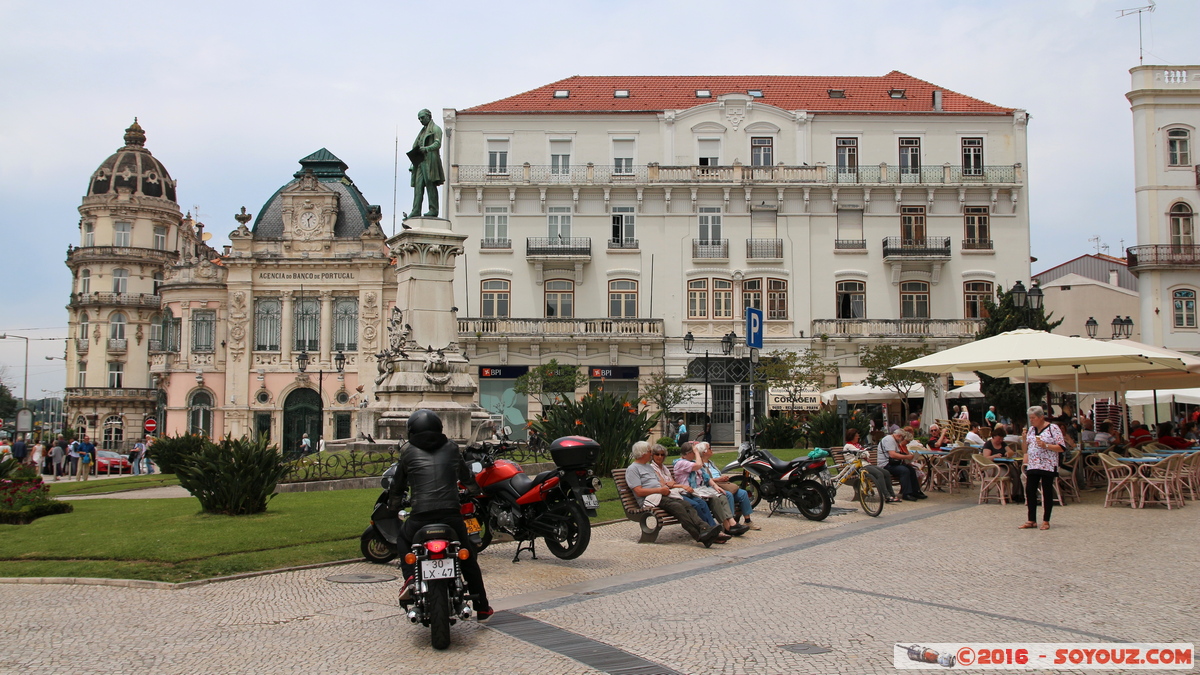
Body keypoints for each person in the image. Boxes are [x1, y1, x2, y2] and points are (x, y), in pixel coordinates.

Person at [388, 409, 491, 621]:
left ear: (411, 430)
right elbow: (466, 476)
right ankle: (482, 606)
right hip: (450, 516)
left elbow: (398, 486)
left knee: (403, 539)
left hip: (421, 516)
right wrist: (475, 491)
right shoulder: (452, 448)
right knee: (467, 556)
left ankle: (410, 578)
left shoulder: (407, 451)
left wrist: (394, 505)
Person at [625, 442, 725, 547]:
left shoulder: (648, 467)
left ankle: (705, 529)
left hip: (662, 494)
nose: (651, 454)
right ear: (642, 453)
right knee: (678, 507)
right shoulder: (633, 469)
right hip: (651, 498)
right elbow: (639, 491)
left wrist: (667, 487)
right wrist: (660, 490)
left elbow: (661, 482)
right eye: (650, 451)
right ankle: (700, 535)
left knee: (687, 505)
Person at [674, 444, 748, 537]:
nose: (695, 454)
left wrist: (715, 486)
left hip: (700, 490)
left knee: (722, 496)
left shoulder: (692, 462)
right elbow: (699, 465)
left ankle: (732, 523)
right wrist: (697, 452)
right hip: (690, 491)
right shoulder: (681, 463)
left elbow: (706, 476)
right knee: (714, 498)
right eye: (693, 452)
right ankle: (726, 526)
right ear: (688, 453)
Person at [648, 443, 718, 531]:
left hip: (677, 491)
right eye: (657, 454)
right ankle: (706, 528)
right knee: (694, 505)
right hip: (669, 495)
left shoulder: (664, 468)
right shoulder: (652, 468)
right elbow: (664, 485)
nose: (660, 457)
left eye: (662, 454)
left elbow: (672, 482)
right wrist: (682, 486)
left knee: (702, 503)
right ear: (652, 455)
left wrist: (673, 484)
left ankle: (713, 527)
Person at [1020, 406, 1064, 530]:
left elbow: (1061, 447)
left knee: (1047, 491)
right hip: (1033, 464)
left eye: (1033, 418)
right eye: (1030, 418)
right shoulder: (1031, 430)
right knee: (1030, 489)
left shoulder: (1053, 428)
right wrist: (1024, 440)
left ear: (1041, 417)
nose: (1031, 420)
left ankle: (1046, 520)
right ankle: (1031, 519)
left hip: (1048, 464)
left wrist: (1046, 445)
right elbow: (1026, 449)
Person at [697, 443, 759, 529]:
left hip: (722, 485)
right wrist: (718, 480)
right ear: (704, 452)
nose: (712, 450)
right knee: (728, 495)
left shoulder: (711, 463)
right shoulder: (699, 465)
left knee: (743, 493)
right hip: (711, 487)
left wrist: (722, 478)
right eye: (710, 448)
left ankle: (747, 521)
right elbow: (703, 480)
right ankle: (731, 523)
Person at [845, 428, 899, 503]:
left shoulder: (857, 445)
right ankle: (887, 496)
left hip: (865, 464)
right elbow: (863, 454)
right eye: (857, 435)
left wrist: (864, 453)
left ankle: (892, 494)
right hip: (858, 467)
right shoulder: (849, 446)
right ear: (852, 436)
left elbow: (866, 454)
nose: (858, 437)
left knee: (886, 472)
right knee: (879, 474)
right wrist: (864, 453)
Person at [408, 108, 445, 218]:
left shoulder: (436, 129)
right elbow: (416, 145)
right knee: (418, 186)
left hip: (430, 161)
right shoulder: (422, 132)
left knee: (430, 185)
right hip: (420, 162)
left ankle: (433, 209)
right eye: (419, 118)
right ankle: (416, 210)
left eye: (422, 117)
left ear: (429, 116)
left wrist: (426, 149)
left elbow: (437, 144)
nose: (420, 120)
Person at [878, 428, 924, 501]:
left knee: (911, 469)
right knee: (904, 470)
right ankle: (906, 493)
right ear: (899, 436)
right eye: (902, 438)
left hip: (893, 463)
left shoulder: (894, 440)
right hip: (886, 465)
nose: (902, 440)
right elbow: (892, 455)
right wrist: (907, 457)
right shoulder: (889, 440)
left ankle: (915, 491)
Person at [983, 429, 1024, 502]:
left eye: (1002, 439)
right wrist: (994, 456)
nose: (1000, 440)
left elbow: (1011, 451)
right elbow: (985, 458)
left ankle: (1017, 494)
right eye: (999, 439)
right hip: (993, 467)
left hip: (1005, 464)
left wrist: (1008, 454)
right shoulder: (988, 444)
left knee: (1016, 474)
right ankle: (1005, 494)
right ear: (994, 437)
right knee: (1005, 473)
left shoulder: (1003, 444)